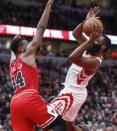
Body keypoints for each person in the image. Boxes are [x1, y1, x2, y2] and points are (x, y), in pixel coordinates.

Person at [50, 6, 111, 127]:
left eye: (99, 38)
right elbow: (76, 33)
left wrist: (89, 41)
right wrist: (86, 21)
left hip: (73, 94)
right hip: (72, 91)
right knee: (66, 125)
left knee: (48, 118)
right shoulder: (90, 48)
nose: (95, 38)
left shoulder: (95, 61)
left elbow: (72, 57)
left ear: (103, 47)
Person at [9, 0, 62, 131]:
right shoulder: (26, 54)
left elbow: (12, 49)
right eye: (25, 42)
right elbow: (40, 28)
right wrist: (48, 6)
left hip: (14, 103)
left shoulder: (12, 62)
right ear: (21, 48)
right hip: (28, 97)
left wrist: (15, 40)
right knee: (59, 124)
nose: (29, 42)